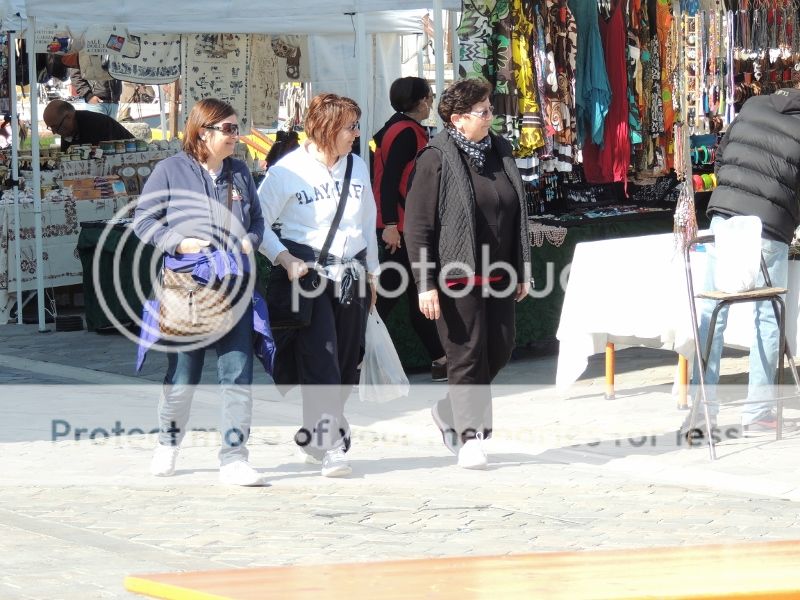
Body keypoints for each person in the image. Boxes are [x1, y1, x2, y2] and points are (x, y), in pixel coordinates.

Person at [133, 98, 266, 486]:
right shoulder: (170, 170)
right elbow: (143, 220)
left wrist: (251, 240)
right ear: (203, 132)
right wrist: (178, 243)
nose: (236, 136)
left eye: (236, 128)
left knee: (237, 373)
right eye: (229, 129)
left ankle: (234, 458)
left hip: (235, 286)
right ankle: (168, 442)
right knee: (183, 376)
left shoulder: (240, 172)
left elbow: (257, 220)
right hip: (187, 287)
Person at [404, 78, 531, 470]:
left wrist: (522, 267)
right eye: (483, 111)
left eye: (490, 109)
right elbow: (417, 226)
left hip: (499, 273)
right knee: (466, 355)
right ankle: (470, 437)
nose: (490, 117)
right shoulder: (435, 158)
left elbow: (517, 213)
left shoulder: (500, 151)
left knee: (501, 348)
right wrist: (425, 283)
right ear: (457, 119)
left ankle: (449, 409)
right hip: (455, 277)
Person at [257, 93, 379, 478]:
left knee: (346, 361)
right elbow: (257, 223)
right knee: (320, 358)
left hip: (352, 273)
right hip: (308, 276)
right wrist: (284, 258)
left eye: (356, 126)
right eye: (350, 127)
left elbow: (367, 223)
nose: (356, 134)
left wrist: (373, 273)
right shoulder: (287, 171)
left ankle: (314, 437)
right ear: (326, 129)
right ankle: (333, 446)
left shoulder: (357, 166)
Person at [683, 88, 800, 439]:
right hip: (769, 226)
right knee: (768, 317)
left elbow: (721, 157)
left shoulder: (753, 104)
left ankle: (701, 411)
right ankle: (759, 412)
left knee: (712, 313)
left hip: (726, 217)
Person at [371, 76, 447, 382]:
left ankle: (440, 358)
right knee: (393, 294)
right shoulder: (405, 131)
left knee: (412, 291)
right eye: (429, 96)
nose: (431, 101)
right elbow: (390, 180)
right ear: (421, 100)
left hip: (401, 223)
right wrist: (391, 224)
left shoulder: (396, 127)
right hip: (401, 226)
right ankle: (358, 356)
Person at [42, 99, 134, 152]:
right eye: (51, 128)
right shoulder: (67, 129)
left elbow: (98, 157)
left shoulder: (96, 124)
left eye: (55, 127)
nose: (54, 132)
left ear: (69, 116)